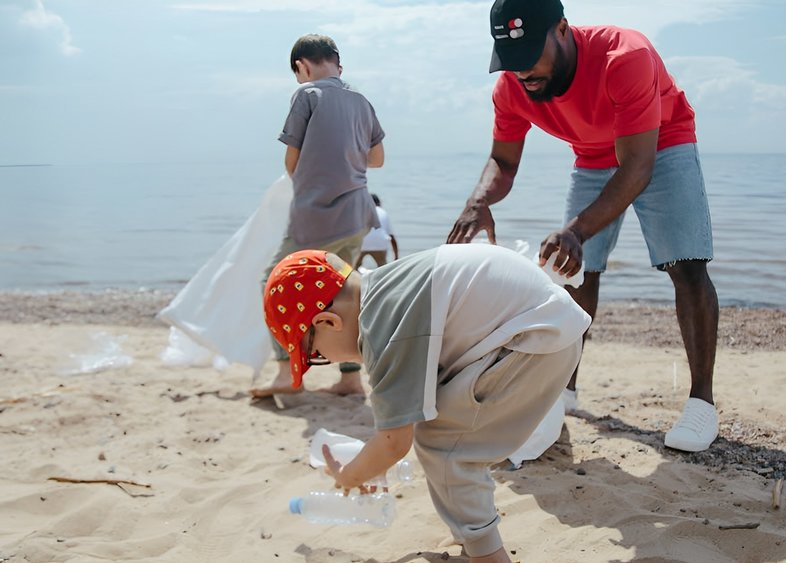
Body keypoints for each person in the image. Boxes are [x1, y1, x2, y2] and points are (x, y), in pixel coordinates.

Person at [447, 0, 720, 452]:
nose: (523, 72)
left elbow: (637, 168)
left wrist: (576, 229)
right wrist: (478, 201)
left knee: (686, 265)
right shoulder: (511, 88)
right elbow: (503, 161)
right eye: (511, 62)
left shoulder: (625, 56)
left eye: (531, 55)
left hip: (661, 143)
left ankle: (701, 404)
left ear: (562, 30)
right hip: (592, 155)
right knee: (574, 271)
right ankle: (565, 387)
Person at [263, 246, 589, 563]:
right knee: (444, 426)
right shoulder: (387, 290)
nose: (326, 360)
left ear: (328, 322)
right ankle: (468, 531)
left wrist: (351, 476)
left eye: (315, 356)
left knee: (445, 445)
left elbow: (393, 443)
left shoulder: (382, 329)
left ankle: (488, 554)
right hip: (544, 326)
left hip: (534, 340)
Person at [251, 34, 386, 400]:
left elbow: (291, 161)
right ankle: (351, 376)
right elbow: (377, 159)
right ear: (337, 65)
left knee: (273, 283)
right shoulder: (360, 100)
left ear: (302, 66)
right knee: (346, 293)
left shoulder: (306, 95)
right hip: (357, 213)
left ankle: (284, 372)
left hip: (317, 216)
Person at [355, 193, 399, 269]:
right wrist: (396, 257)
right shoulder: (383, 212)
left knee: (354, 267)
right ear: (379, 203)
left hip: (362, 243)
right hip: (380, 244)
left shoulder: (360, 211)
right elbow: (391, 237)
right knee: (382, 267)